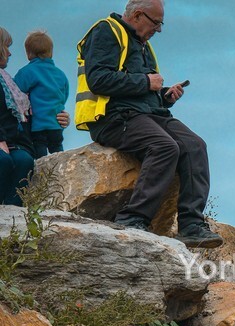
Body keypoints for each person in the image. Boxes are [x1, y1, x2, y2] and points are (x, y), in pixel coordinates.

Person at [76, 0, 222, 248]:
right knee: (164, 146)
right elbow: (98, 79)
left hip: (146, 114)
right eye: (157, 23)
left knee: (195, 145)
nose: (159, 30)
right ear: (138, 15)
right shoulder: (106, 30)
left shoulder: (143, 45)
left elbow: (142, 88)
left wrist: (164, 96)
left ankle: (191, 225)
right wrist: (146, 83)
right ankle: (132, 218)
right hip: (113, 117)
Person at [14, 30, 69, 159]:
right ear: (51, 52)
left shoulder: (26, 72)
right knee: (58, 151)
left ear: (28, 54)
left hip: (38, 126)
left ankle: (42, 177)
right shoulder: (60, 74)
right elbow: (64, 95)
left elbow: (15, 93)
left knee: (40, 156)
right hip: (56, 124)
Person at [0, 27, 34, 206]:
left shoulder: (7, 80)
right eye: (6, 46)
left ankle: (12, 218)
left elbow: (22, 115)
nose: (10, 53)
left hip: (12, 142)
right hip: (2, 141)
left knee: (24, 161)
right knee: (2, 161)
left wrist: (58, 118)